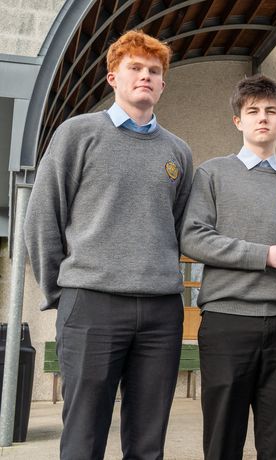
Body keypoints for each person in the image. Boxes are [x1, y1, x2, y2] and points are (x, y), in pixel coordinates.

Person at [24, 30, 193, 459]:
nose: (145, 76)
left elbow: (176, 227)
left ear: (163, 84)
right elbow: (42, 218)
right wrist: (63, 292)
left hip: (161, 311)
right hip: (91, 303)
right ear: (113, 77)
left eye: (154, 70)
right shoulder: (77, 134)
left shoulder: (178, 151)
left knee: (148, 442)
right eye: (135, 67)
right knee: (84, 435)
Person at [180, 74, 276, 460]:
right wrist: (266, 256)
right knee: (223, 439)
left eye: (271, 111)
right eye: (253, 111)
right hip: (228, 320)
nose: (263, 118)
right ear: (238, 121)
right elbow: (193, 238)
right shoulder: (212, 173)